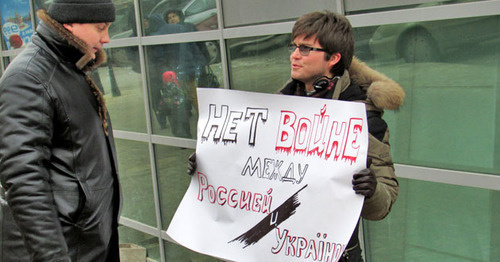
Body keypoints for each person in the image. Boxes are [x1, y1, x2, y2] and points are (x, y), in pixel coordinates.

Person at [188, 10, 404, 262]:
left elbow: (382, 205)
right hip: (275, 250)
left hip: (334, 255)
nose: (294, 55)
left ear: (333, 58)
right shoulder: (274, 113)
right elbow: (250, 175)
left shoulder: (362, 119)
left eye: (305, 48)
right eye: (294, 46)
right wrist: (208, 167)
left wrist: (372, 190)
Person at [0, 0, 121, 261]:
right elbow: (23, 180)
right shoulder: (29, 77)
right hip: (62, 249)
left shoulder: (69, 68)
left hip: (86, 242)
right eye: (100, 28)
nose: (107, 38)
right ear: (70, 23)